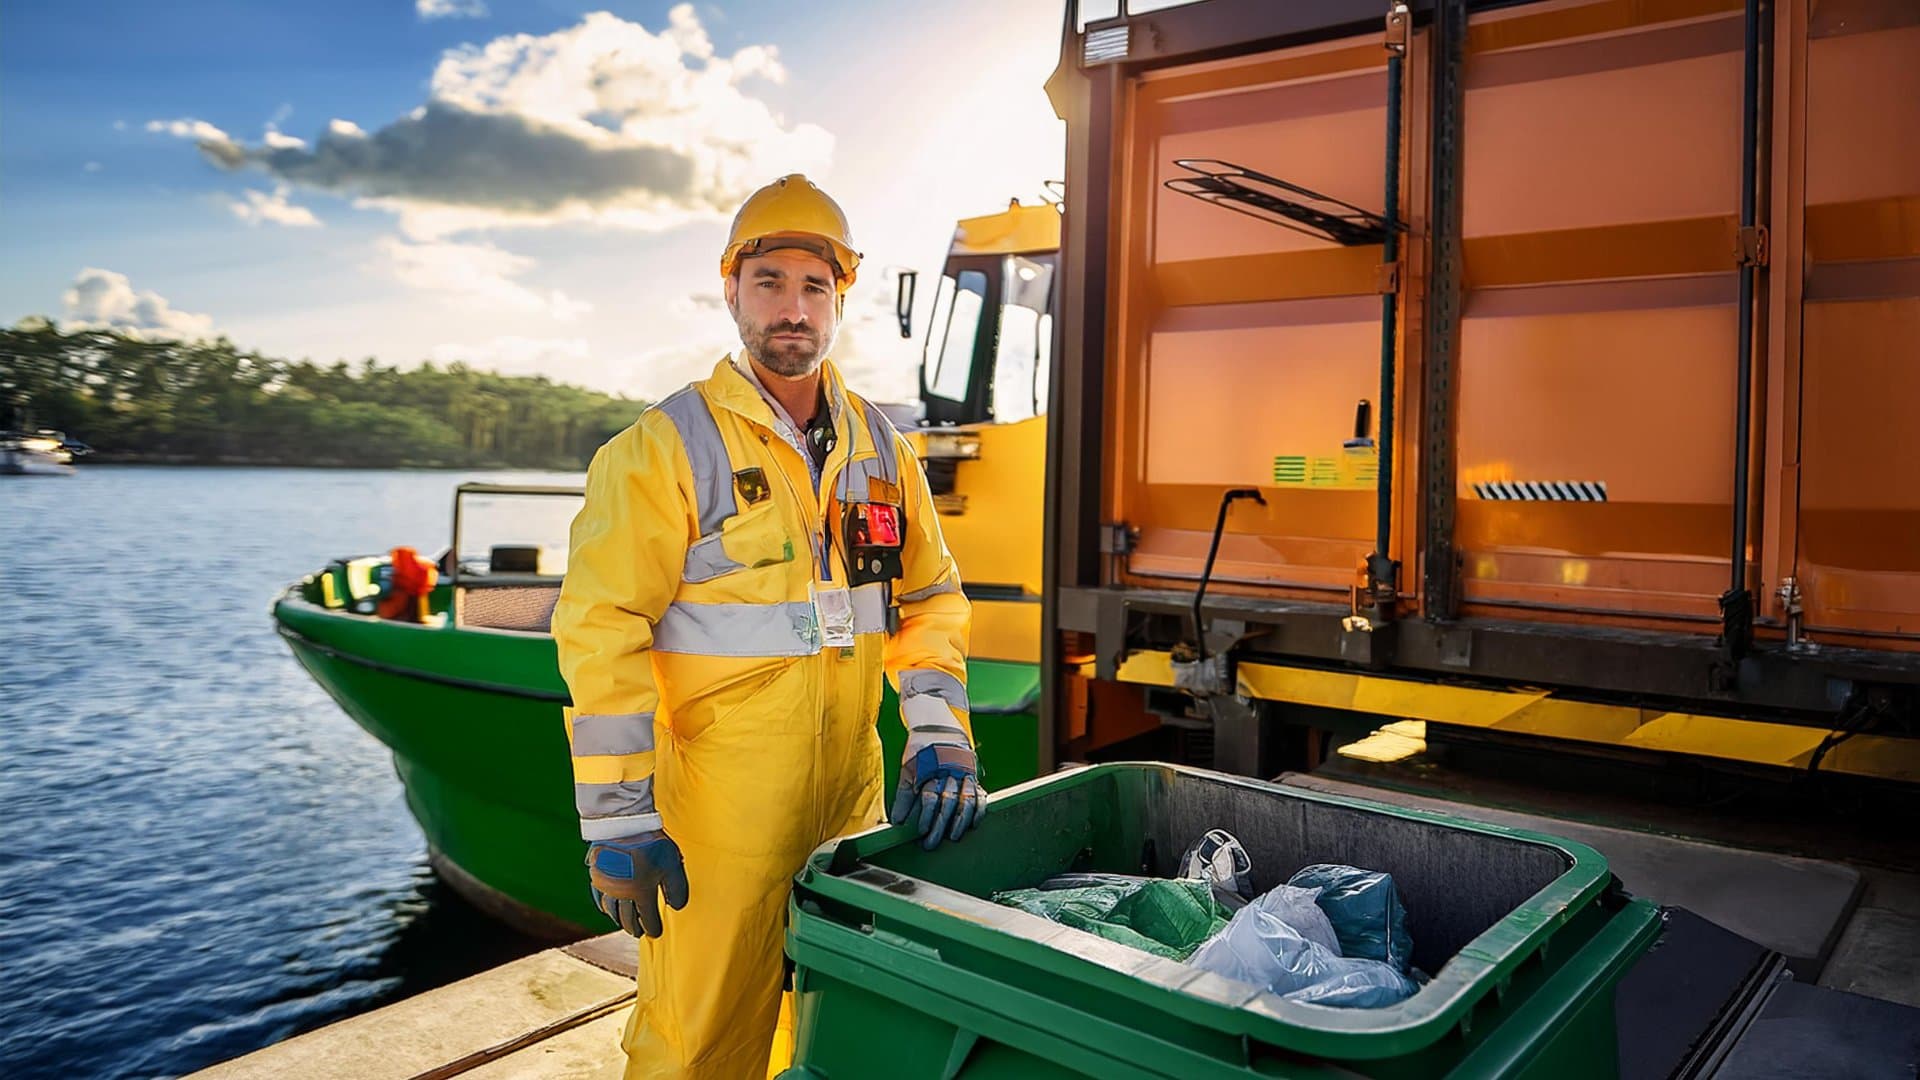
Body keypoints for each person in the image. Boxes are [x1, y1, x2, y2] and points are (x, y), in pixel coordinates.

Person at [551, 174, 987, 1080]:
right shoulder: (663, 447)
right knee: (701, 1041)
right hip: (717, 818)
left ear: (840, 300)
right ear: (730, 290)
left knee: (840, 1028)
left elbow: (930, 598)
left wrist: (938, 732)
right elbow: (603, 632)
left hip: (851, 802)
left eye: (814, 288)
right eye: (770, 284)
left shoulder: (880, 446)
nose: (793, 309)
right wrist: (619, 818)